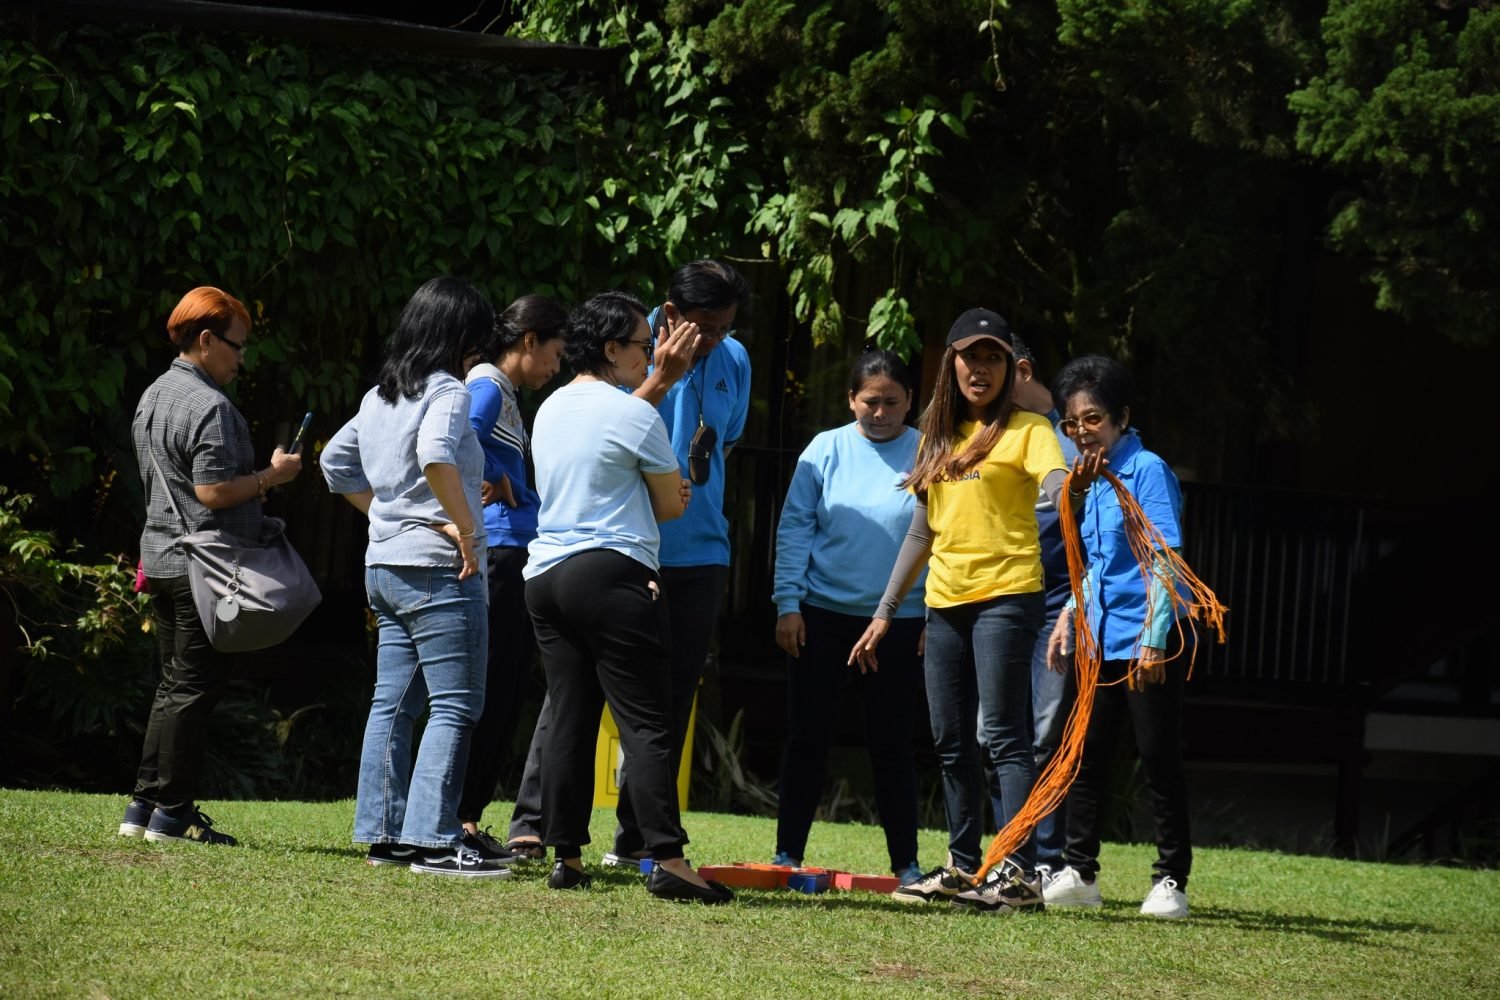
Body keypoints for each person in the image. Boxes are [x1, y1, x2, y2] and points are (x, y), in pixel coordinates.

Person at [850, 307, 1100, 915]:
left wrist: (1069, 485)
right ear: (951, 365)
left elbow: (1054, 480)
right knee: (950, 739)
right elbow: (921, 530)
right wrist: (885, 612)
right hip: (943, 604)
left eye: (992, 358)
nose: (979, 369)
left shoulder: (1030, 428)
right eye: (970, 357)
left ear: (1011, 368)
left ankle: (1016, 872)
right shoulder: (938, 434)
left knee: (1004, 737)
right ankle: (965, 867)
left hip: (1007, 598)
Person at [523, 290, 731, 903]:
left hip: (545, 576)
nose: (651, 355)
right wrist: (665, 493)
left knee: (570, 717)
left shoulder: (550, 408)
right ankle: (667, 858)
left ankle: (567, 856)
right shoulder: (637, 414)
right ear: (612, 348)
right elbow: (671, 504)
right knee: (646, 722)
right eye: (644, 345)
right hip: (612, 573)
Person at [321, 276, 508, 879]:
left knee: (392, 704)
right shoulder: (448, 390)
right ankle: (433, 839)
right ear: (460, 336)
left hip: (383, 566)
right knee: (456, 703)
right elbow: (435, 454)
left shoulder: (380, 396)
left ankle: (385, 836)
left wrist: (384, 515)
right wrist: (462, 527)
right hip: (437, 569)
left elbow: (333, 465)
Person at [121, 286, 304, 846]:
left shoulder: (153, 395)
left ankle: (144, 805)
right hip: (205, 567)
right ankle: (172, 814)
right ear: (206, 341)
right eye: (237, 346)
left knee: (173, 685)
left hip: (162, 556)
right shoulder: (212, 407)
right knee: (194, 688)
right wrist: (272, 476)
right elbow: (213, 491)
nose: (241, 358)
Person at [603, 259, 752, 868]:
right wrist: (667, 375)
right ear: (671, 313)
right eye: (706, 325)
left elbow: (727, 439)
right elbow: (609, 436)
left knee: (673, 698)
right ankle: (540, 825)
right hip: (631, 546)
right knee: (610, 693)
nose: (715, 338)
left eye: (725, 327)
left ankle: (636, 835)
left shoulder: (735, 360)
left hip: (702, 550)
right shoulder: (634, 354)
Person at [1042, 353, 1195, 919]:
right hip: (1099, 637)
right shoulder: (1093, 477)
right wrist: (1068, 615)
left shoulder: (1146, 469)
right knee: (1085, 755)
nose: (1082, 430)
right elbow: (1093, 563)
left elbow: (1164, 557)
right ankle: (1080, 871)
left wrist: (1155, 638)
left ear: (1121, 417)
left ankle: (1170, 880)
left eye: (1093, 418)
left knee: (1157, 758)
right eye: (1071, 421)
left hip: (1147, 640)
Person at [769, 349, 927, 886]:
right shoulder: (825, 448)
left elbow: (946, 539)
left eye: (892, 402)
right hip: (821, 617)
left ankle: (906, 864)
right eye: (870, 401)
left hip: (902, 622)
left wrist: (930, 614)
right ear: (850, 400)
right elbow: (794, 529)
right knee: (807, 737)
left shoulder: (932, 453)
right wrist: (787, 603)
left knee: (893, 743)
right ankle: (787, 852)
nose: (880, 412)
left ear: (911, 401)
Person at [454, 294, 568, 862]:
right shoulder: (489, 387)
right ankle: (461, 820)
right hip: (503, 552)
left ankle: (465, 816)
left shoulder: (504, 390)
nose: (557, 363)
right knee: (495, 688)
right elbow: (460, 438)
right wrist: (501, 482)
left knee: (502, 687)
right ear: (528, 341)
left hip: (511, 550)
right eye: (554, 350)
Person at [979, 332, 1078, 877]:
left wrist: (1077, 606)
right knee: (989, 734)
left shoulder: (1070, 438)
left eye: (992, 367)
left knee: (1043, 735)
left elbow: (1089, 530)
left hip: (1058, 606)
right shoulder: (987, 432)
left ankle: (1044, 858)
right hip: (999, 601)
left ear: (1019, 368)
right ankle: (1006, 854)